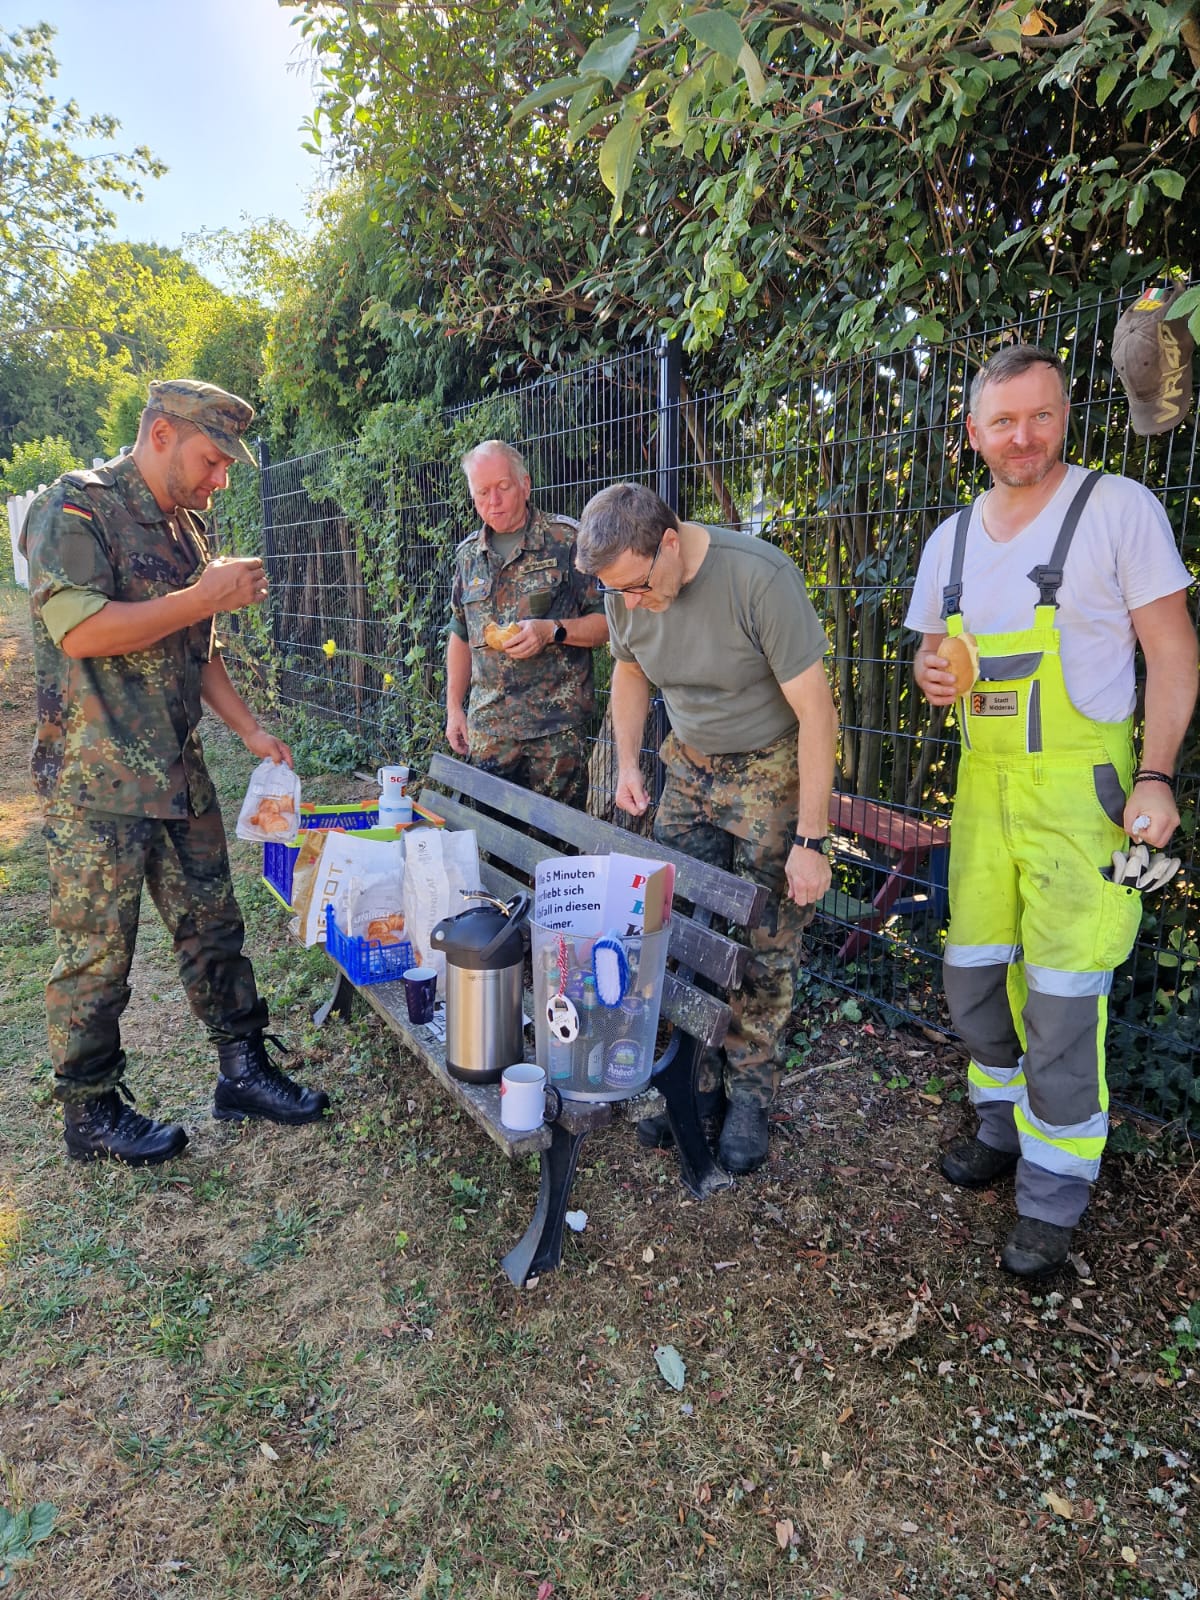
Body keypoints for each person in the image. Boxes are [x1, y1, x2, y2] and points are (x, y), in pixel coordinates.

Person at [907, 345, 1196, 1276]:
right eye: (1003, 421)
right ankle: (1002, 1126)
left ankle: (1054, 1193)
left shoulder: (1117, 510)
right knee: (974, 978)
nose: (1023, 437)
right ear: (974, 432)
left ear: (1064, 414)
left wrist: (1156, 775)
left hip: (1085, 796)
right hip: (985, 797)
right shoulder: (948, 542)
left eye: (1040, 416)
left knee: (1067, 1003)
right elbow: (928, 667)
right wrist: (931, 676)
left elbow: (1174, 651)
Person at [20, 379, 330, 1167]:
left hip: (175, 765)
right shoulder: (76, 508)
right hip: (96, 782)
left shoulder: (189, 527)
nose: (220, 476)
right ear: (161, 433)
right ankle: (90, 1110)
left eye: (227, 465)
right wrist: (201, 595)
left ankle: (242, 1068)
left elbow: (201, 649)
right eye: (211, 458)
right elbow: (81, 630)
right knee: (98, 951)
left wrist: (250, 728)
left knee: (214, 925)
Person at [575, 482, 838, 1173]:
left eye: (635, 586)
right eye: (615, 593)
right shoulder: (623, 587)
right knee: (673, 927)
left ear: (669, 542)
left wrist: (811, 840)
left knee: (766, 938)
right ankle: (688, 1077)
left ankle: (749, 1092)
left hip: (771, 767)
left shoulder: (758, 578)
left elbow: (818, 712)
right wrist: (630, 763)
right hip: (687, 766)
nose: (627, 604)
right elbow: (629, 674)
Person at [445, 441, 609, 807]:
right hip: (489, 734)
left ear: (525, 484)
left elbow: (608, 624)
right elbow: (460, 634)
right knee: (488, 845)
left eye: (503, 487)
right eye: (482, 492)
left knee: (554, 854)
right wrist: (455, 708)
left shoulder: (567, 541)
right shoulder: (468, 555)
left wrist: (552, 631)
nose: (493, 501)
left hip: (555, 736)